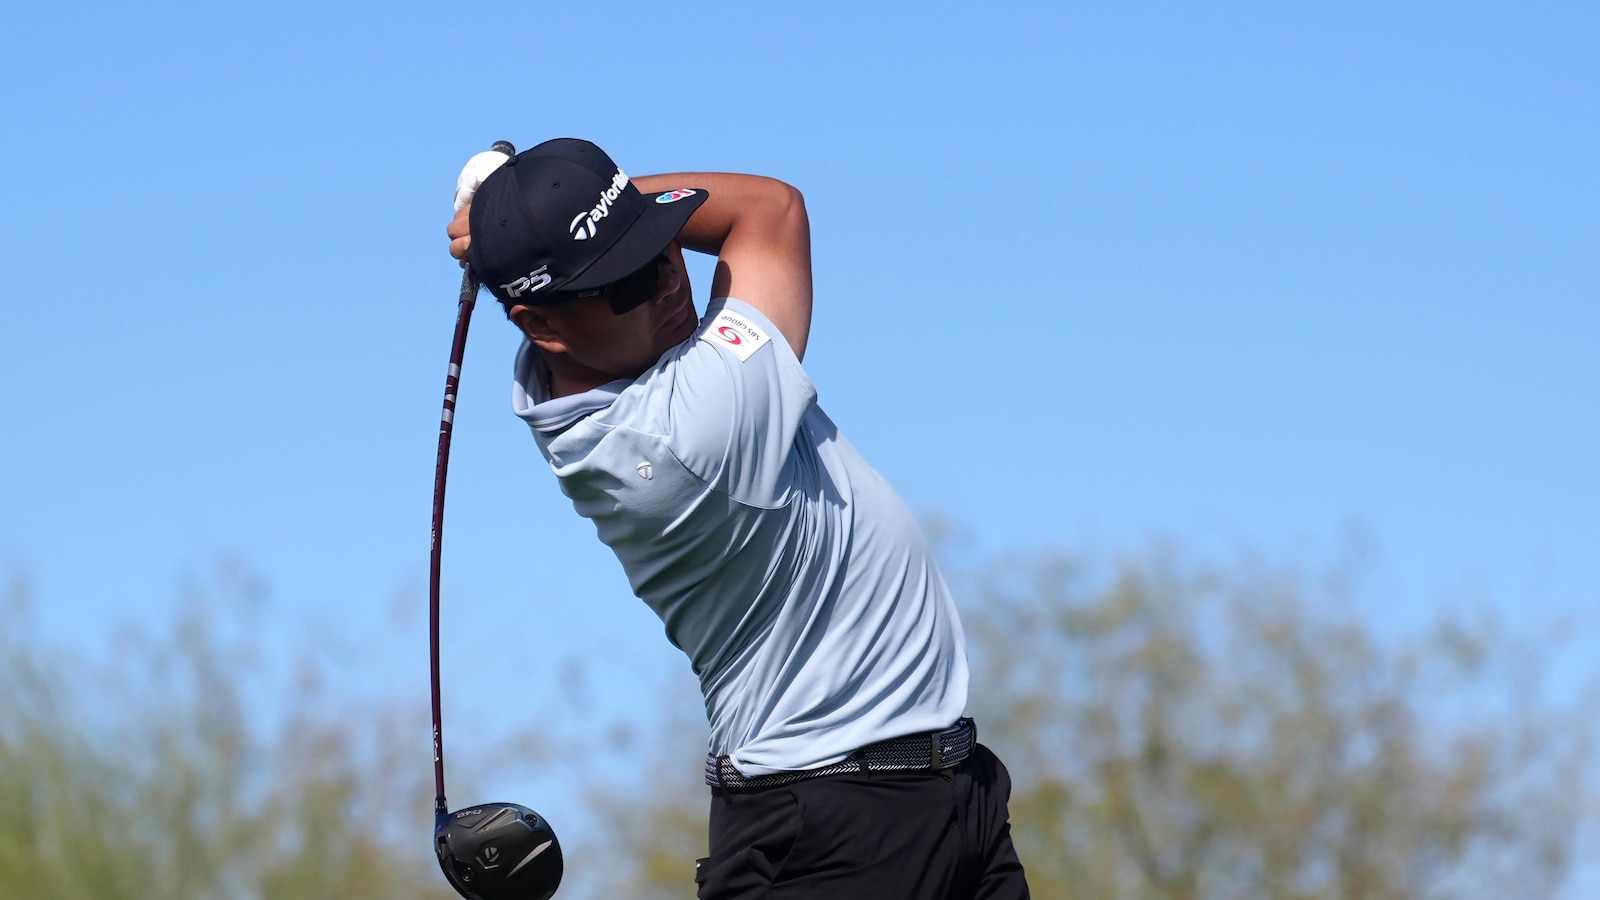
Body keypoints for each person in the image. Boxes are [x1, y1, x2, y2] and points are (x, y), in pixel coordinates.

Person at [447, 138, 1029, 900]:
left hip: (948, 797)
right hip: (830, 838)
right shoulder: (682, 433)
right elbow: (769, 210)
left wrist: (542, 219)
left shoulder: (590, 370)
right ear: (543, 325)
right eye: (624, 282)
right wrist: (547, 217)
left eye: (658, 250)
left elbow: (693, 235)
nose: (665, 283)